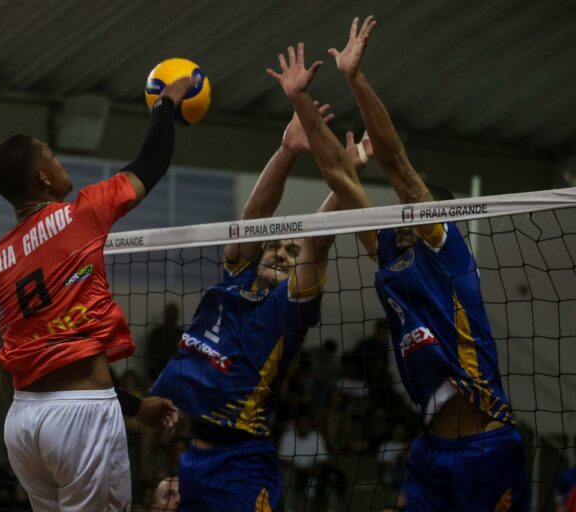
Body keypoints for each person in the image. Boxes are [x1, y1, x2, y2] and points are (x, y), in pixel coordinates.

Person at [150, 51, 375, 509]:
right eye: (276, 245)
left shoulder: (291, 307)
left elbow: (314, 242)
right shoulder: (237, 276)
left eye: (290, 252)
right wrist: (288, 150)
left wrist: (345, 178)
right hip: (193, 456)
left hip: (241, 460)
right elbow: (255, 217)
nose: (281, 250)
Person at [328, 16, 528, 510]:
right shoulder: (393, 254)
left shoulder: (446, 249)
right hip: (430, 447)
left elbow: (395, 162)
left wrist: (355, 79)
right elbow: (342, 184)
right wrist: (301, 111)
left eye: (406, 210)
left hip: (485, 445)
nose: (397, 213)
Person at [0, 75, 194, 511]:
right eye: (54, 156)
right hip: (81, 418)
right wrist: (166, 104)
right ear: (43, 176)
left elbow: (52, 361)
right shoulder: (81, 213)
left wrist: (135, 406)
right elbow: (149, 164)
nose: (61, 164)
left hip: (23, 423)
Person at [145, 303, 184, 382]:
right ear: (165, 314)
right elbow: (151, 358)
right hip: (158, 377)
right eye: (170, 313)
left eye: (174, 313)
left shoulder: (182, 335)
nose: (172, 316)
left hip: (178, 378)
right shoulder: (157, 334)